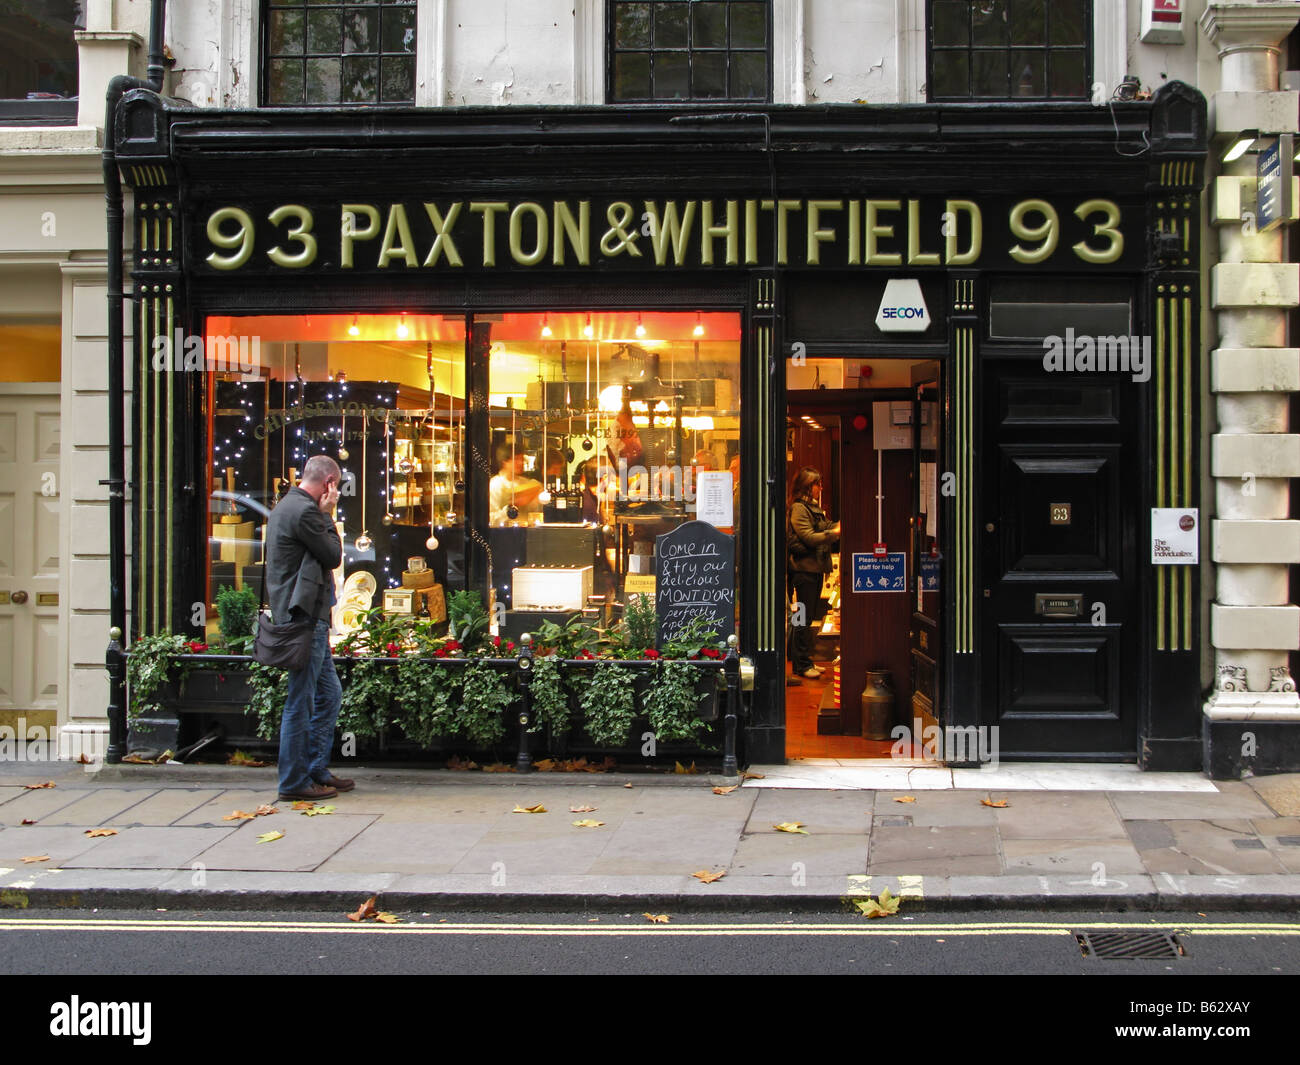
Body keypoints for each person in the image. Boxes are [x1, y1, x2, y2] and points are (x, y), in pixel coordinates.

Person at [265, 454, 352, 801]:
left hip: (303, 615)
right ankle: (293, 782)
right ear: (329, 483)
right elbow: (333, 555)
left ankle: (315, 769)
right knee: (301, 701)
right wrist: (328, 513)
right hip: (304, 617)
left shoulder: (287, 505)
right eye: (336, 486)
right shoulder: (305, 512)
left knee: (329, 694)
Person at [787, 466, 839, 682]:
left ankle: (805, 659)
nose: (820, 488)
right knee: (802, 618)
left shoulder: (812, 507)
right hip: (803, 572)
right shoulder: (799, 508)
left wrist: (834, 527)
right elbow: (808, 536)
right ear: (808, 486)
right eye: (817, 484)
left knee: (806, 618)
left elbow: (823, 527)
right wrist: (833, 533)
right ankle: (801, 664)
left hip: (813, 569)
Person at [489, 445, 544, 524]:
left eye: (522, 459)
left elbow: (535, 514)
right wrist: (513, 505)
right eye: (516, 459)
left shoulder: (526, 482)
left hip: (527, 530)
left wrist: (537, 499)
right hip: (503, 531)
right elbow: (490, 518)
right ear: (504, 462)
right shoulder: (495, 485)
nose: (521, 463)